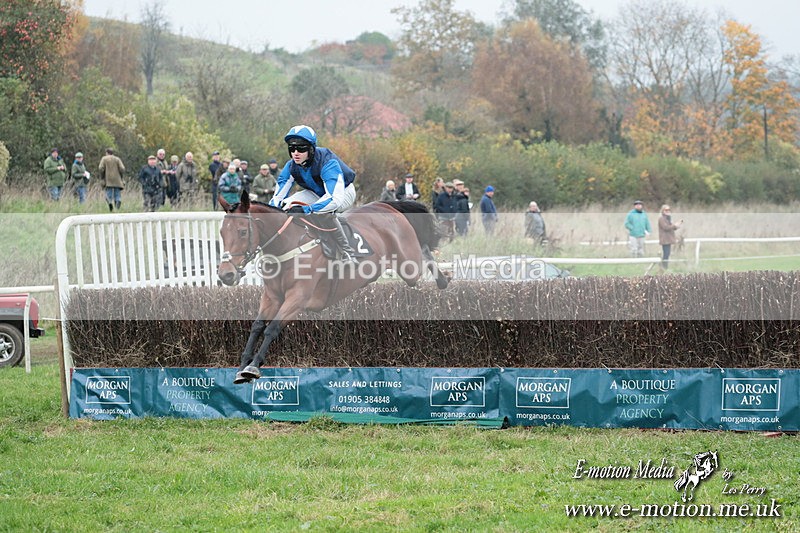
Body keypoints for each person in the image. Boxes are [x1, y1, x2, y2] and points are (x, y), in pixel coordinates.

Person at [269, 124, 358, 262]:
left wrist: (307, 209)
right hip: (316, 192)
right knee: (286, 205)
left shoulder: (328, 162)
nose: (295, 153)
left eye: (301, 148)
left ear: (311, 148)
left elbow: (334, 199)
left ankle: (347, 252)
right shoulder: (291, 166)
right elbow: (278, 197)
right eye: (292, 148)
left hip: (343, 192)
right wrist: (271, 213)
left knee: (324, 212)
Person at [658, 204, 683, 269]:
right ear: (663, 211)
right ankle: (664, 267)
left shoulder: (668, 218)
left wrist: (677, 226)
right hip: (665, 239)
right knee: (666, 254)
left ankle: (663, 266)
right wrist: (674, 225)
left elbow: (671, 227)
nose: (668, 211)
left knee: (667, 254)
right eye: (666, 210)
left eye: (669, 210)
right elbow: (666, 227)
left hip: (669, 239)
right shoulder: (661, 218)